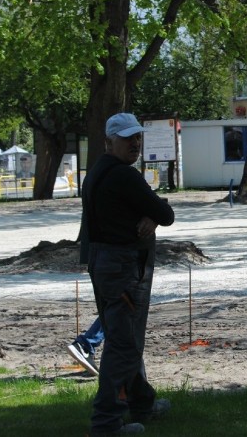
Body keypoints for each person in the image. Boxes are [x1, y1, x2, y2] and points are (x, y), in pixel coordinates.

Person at [83, 112, 175, 436]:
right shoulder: (124, 175)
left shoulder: (96, 172)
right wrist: (153, 214)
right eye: (127, 138)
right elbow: (166, 213)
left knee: (124, 337)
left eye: (137, 137)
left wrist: (150, 214)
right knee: (124, 345)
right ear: (110, 141)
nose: (135, 143)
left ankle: (142, 403)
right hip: (124, 267)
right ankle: (106, 424)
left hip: (103, 265)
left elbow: (150, 211)